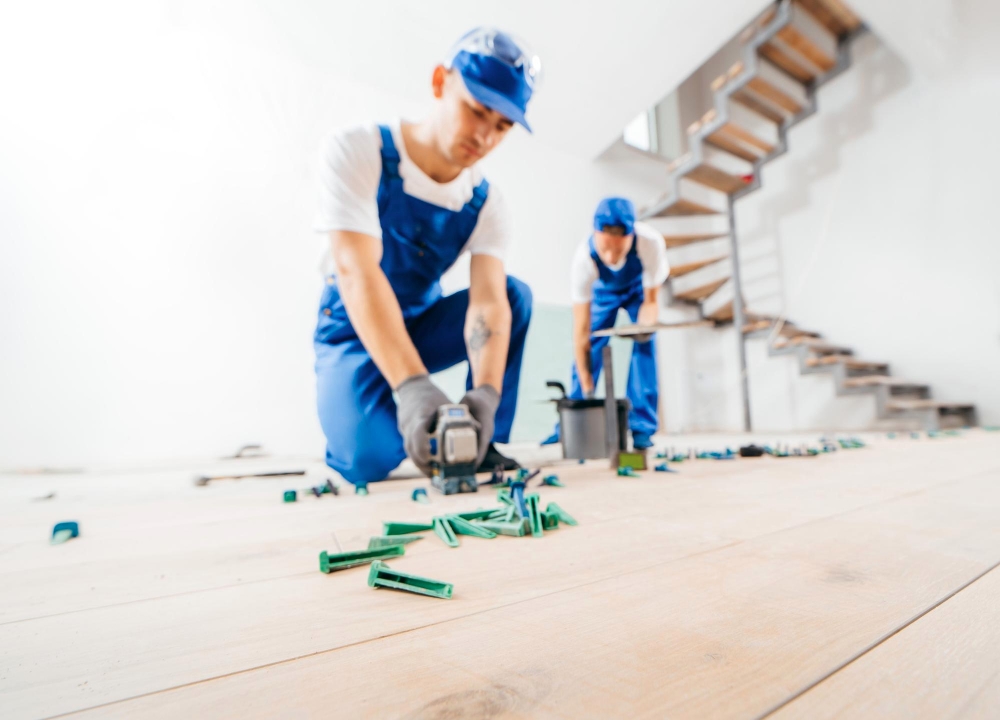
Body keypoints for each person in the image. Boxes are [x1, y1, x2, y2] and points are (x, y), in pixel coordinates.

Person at [312, 28, 540, 487]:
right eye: (476, 110)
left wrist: (485, 396)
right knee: (366, 462)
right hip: (351, 331)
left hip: (421, 325)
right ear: (440, 82)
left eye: (502, 125)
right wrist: (415, 390)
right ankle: (391, 415)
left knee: (515, 296)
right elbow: (357, 272)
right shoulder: (358, 151)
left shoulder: (485, 203)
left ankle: (485, 439)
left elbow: (490, 303)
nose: (485, 136)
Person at [542, 197, 669, 450]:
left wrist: (644, 324)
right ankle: (572, 419)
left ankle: (641, 427)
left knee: (646, 343)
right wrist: (588, 383)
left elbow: (651, 301)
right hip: (603, 293)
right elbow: (580, 332)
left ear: (631, 237)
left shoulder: (651, 243)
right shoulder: (583, 260)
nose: (611, 257)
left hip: (638, 290)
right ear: (595, 234)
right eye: (605, 249)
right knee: (592, 343)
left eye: (618, 250)